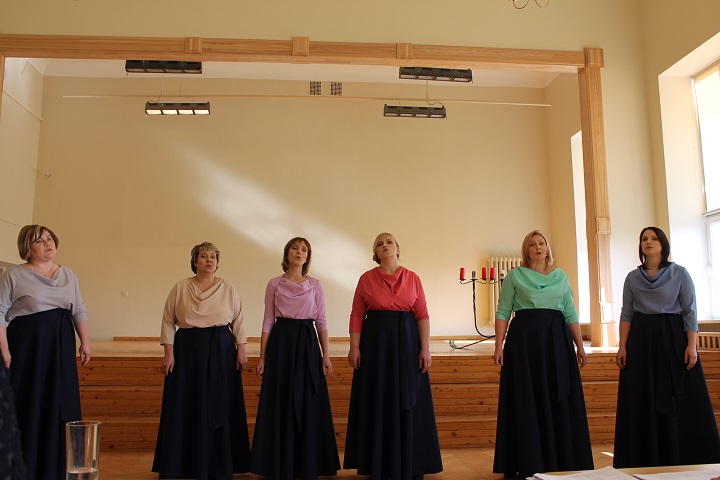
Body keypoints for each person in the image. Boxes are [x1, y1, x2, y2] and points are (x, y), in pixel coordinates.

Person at [613, 226, 720, 468]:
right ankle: (645, 456)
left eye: (653, 238)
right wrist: (622, 346)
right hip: (641, 340)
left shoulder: (679, 273)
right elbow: (627, 313)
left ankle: (683, 455)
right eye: (644, 239)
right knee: (642, 396)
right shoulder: (632, 277)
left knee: (676, 394)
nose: (648, 242)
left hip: (672, 336)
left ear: (663, 244)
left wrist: (692, 345)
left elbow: (690, 310)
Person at [492, 229, 593, 479]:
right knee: (526, 397)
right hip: (524, 343)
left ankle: (559, 459)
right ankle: (528, 459)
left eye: (542, 243)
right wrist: (498, 345)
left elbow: (569, 312)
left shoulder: (561, 276)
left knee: (558, 395)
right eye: (533, 244)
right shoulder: (515, 276)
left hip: (556, 341)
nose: (538, 247)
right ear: (526, 250)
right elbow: (503, 311)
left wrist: (580, 345)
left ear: (547, 249)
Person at [344, 232, 443, 480]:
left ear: (398, 248)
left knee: (409, 397)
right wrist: (354, 347)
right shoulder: (366, 279)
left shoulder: (413, 278)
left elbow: (422, 315)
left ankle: (411, 462)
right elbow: (357, 314)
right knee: (377, 399)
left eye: (389, 242)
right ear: (375, 253)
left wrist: (425, 348)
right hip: (375, 346)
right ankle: (378, 463)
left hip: (408, 345)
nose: (385, 245)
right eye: (380, 244)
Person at [152, 241, 251, 479]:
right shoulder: (180, 287)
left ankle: (220, 463)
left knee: (220, 402)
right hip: (188, 351)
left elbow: (238, 320)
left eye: (213, 257)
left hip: (221, 349)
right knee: (187, 403)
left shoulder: (228, 288)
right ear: (194, 261)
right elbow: (168, 320)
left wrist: (241, 350)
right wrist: (168, 353)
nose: (209, 260)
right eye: (204, 256)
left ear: (217, 263)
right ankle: (184, 463)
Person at [0, 224, 91, 479]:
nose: (48, 243)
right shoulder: (14, 274)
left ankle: (57, 468)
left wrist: (85, 342)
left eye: (49, 238)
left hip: (60, 345)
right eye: (39, 241)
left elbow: (78, 308)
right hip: (27, 346)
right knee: (28, 400)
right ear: (27, 249)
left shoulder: (68, 274)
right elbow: (0, 310)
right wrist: (3, 349)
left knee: (61, 401)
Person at [250, 237, 340, 479]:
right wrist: (262, 357)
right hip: (281, 344)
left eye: (304, 249)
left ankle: (308, 462)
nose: (299, 252)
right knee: (281, 399)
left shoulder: (315, 285)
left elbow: (321, 321)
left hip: (307, 343)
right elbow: (267, 321)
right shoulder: (274, 284)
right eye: (295, 248)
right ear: (287, 253)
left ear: (307, 256)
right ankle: (280, 463)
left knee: (308, 398)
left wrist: (326, 356)